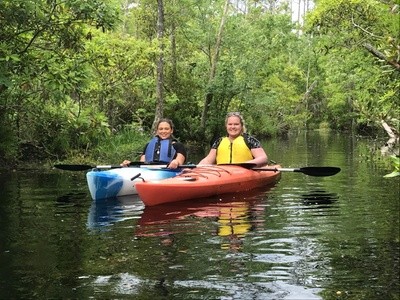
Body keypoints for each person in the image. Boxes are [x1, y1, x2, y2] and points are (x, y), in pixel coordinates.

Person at [198, 112, 268, 167]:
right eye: (230, 124)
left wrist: (245, 165)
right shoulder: (219, 142)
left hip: (244, 172)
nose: (233, 127)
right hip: (222, 174)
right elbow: (207, 161)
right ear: (226, 126)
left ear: (241, 126)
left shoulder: (250, 140)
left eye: (236, 124)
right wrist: (196, 168)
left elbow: (263, 158)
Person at [121, 118, 187, 169]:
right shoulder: (148, 145)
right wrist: (130, 164)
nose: (163, 131)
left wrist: (176, 162)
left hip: (170, 171)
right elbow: (142, 163)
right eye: (161, 129)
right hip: (150, 171)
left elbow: (179, 161)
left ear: (171, 130)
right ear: (157, 131)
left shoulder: (178, 146)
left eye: (166, 129)